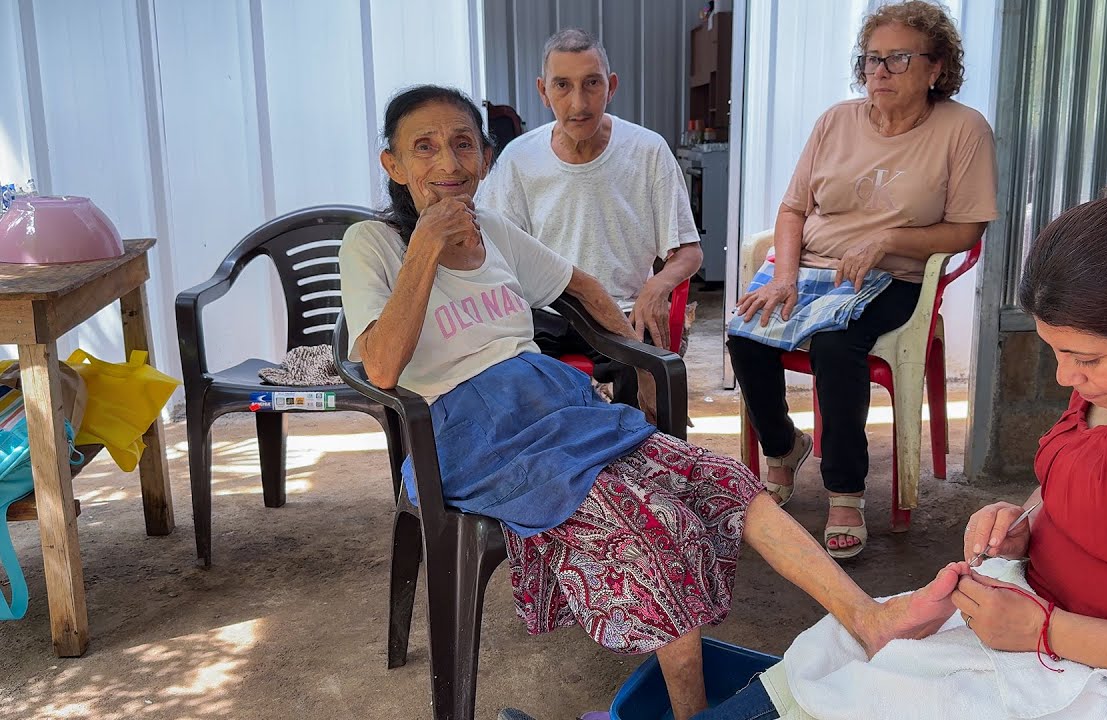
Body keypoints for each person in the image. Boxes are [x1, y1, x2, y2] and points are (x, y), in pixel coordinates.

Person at [339, 84, 965, 720]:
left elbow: (577, 285)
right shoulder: (373, 244)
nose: (447, 163)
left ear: (485, 157)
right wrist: (423, 249)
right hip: (468, 436)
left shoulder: (493, 229)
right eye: (424, 147)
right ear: (393, 164)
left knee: (722, 479)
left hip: (552, 408)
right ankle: (690, 713)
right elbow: (382, 366)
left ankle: (869, 615)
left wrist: (638, 369)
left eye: (462, 144)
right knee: (648, 523)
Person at [695, 146, 1107, 719]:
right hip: (1036, 627)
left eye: (1085, 359)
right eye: (1056, 352)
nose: (1065, 377)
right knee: (841, 655)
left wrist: (1045, 631)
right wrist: (1025, 521)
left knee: (863, 687)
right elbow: (1097, 476)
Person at [726, 0, 997, 559]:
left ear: (936, 68)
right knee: (745, 329)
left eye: (898, 59)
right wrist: (781, 275)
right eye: (872, 59)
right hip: (811, 267)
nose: (879, 71)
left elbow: (967, 229)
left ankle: (845, 491)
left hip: (892, 276)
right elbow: (793, 209)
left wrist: (890, 240)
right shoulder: (835, 120)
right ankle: (783, 449)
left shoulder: (962, 130)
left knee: (836, 344)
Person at [476, 27, 703, 405]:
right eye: (562, 85)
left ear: (611, 86)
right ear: (543, 91)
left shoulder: (647, 151)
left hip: (623, 312)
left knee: (645, 391)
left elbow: (690, 251)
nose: (578, 103)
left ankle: (644, 459)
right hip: (543, 313)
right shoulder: (519, 159)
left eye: (591, 84)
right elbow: (495, 253)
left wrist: (657, 285)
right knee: (510, 389)